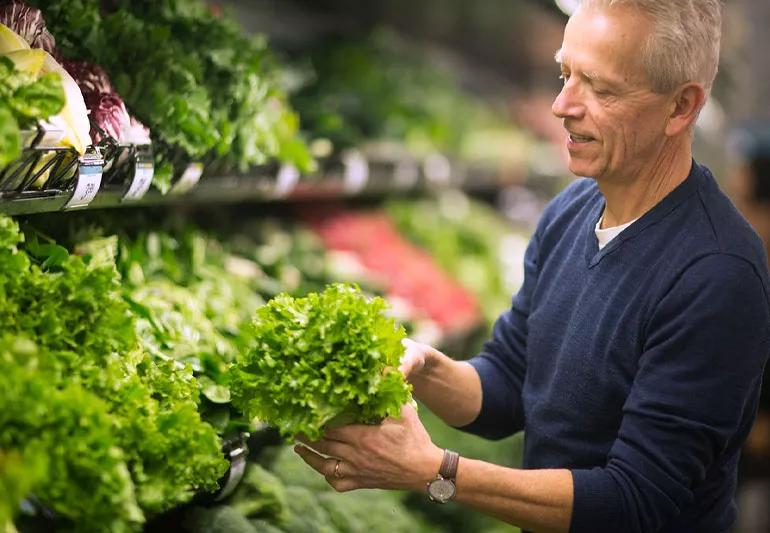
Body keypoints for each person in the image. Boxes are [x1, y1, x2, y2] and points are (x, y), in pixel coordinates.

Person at [294, 1, 770, 531]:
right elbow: (509, 385)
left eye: (600, 88)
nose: (562, 105)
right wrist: (428, 368)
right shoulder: (570, 211)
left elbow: (635, 502)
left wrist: (435, 470)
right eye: (564, 74)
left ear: (681, 107)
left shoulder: (717, 275)